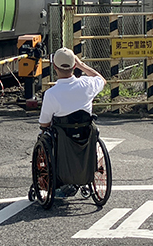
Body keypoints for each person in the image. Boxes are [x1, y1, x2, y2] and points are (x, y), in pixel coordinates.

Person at [39, 48, 106, 198]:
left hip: (62, 138)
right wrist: (82, 65)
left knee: (44, 137)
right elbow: (101, 79)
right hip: (85, 133)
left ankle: (56, 181)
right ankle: (86, 174)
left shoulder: (51, 94)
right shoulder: (87, 85)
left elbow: (44, 124)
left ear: (54, 67)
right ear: (74, 66)